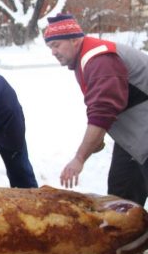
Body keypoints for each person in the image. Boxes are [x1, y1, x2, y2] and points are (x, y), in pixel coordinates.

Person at [44, 13, 148, 205]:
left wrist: (79, 158)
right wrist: (95, 141)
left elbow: (102, 113)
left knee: (123, 200)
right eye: (50, 47)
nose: (53, 52)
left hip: (143, 132)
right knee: (122, 200)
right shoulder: (84, 60)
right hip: (133, 138)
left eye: (56, 45)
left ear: (74, 40)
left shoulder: (99, 59)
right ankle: (130, 234)